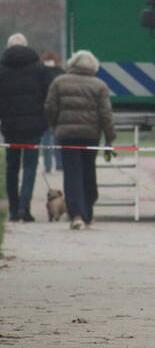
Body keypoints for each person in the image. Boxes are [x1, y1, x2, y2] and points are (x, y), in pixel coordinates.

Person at [44, 49, 115, 230]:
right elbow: (106, 114)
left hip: (67, 136)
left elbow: (50, 108)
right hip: (90, 136)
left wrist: (56, 126)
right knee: (88, 172)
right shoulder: (99, 85)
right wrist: (109, 137)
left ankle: (76, 215)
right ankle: (88, 213)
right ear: (94, 66)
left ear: (72, 63)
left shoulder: (59, 82)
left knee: (72, 174)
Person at [0, 33, 52, 222]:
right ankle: (24, 207)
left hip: (10, 126)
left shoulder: (2, 69)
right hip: (33, 126)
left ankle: (13, 210)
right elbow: (48, 94)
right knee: (30, 166)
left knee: (12, 167)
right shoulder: (39, 68)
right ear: (26, 46)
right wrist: (44, 119)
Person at [40, 51, 65, 173]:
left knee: (46, 140)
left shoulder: (40, 73)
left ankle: (47, 166)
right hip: (59, 111)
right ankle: (60, 164)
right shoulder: (61, 73)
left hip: (43, 111)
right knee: (58, 139)